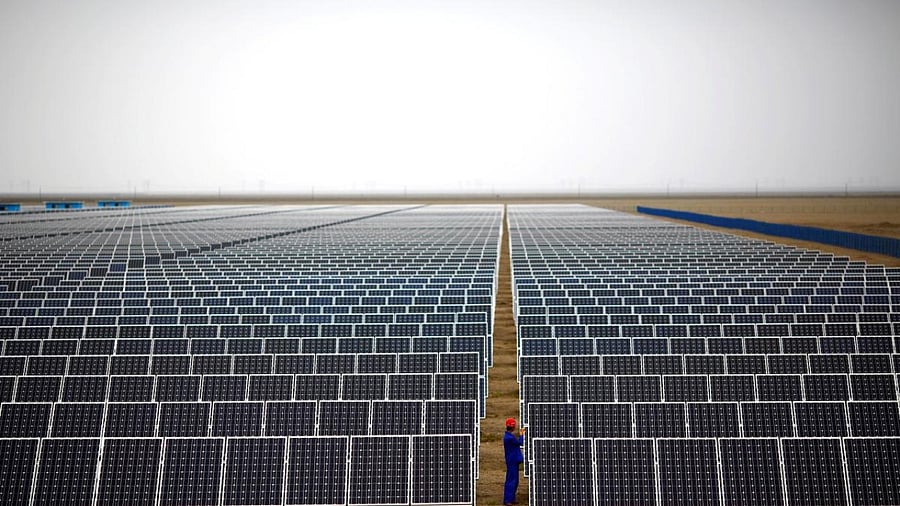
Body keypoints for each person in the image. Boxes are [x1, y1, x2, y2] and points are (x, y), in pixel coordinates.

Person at [503, 417, 526, 506]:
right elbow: (520, 443)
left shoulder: (508, 436)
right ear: (513, 426)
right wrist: (522, 435)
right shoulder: (509, 438)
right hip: (512, 461)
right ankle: (507, 500)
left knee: (514, 481)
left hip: (513, 460)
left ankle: (511, 498)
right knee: (511, 481)